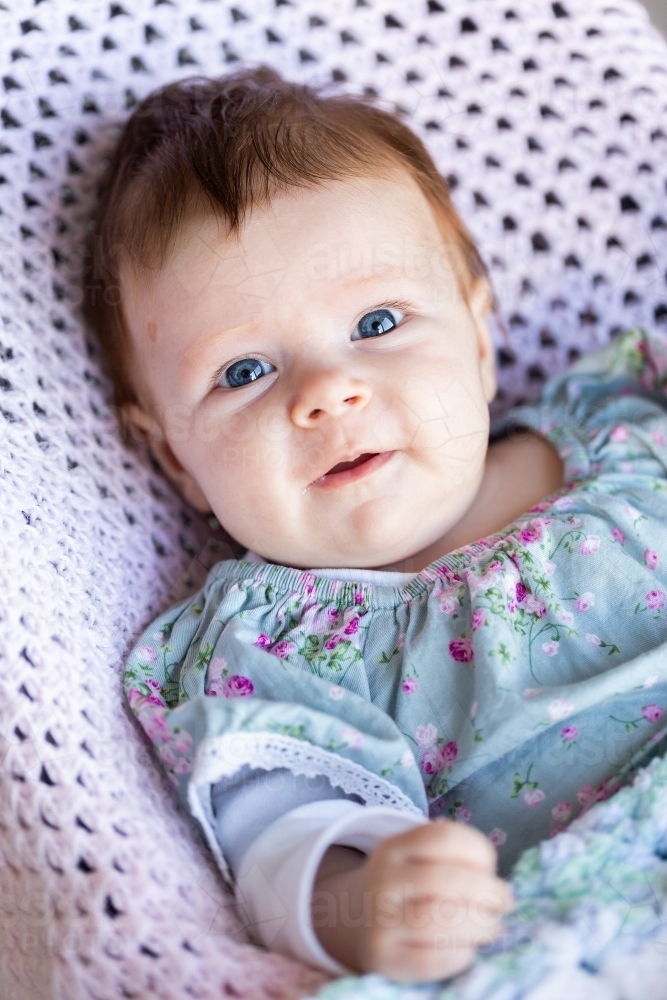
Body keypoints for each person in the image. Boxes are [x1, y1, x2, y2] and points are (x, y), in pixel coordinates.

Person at [85, 64, 667, 983]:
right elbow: (281, 841)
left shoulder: (625, 424)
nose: (328, 391)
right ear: (173, 462)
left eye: (378, 320)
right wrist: (361, 903)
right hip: (600, 918)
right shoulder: (267, 649)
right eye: (243, 373)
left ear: (477, 342)